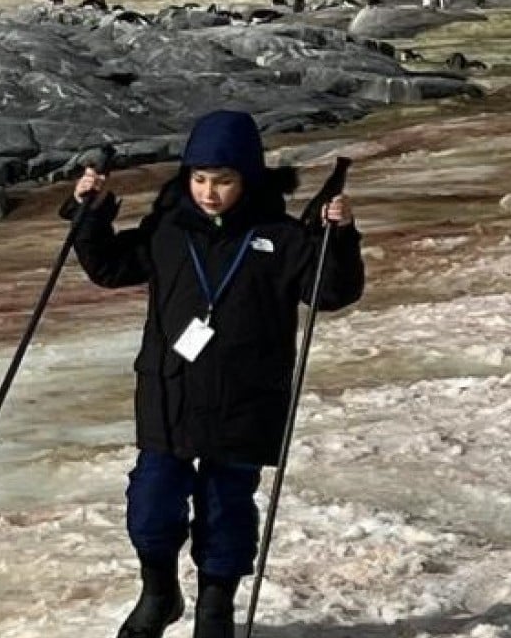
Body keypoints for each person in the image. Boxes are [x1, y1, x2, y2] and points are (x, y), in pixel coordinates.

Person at [65, 110, 365, 638]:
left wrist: (337, 238)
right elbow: (109, 267)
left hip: (246, 398)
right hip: (170, 388)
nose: (209, 193)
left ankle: (214, 612)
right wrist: (88, 211)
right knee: (151, 502)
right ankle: (159, 595)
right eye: (199, 179)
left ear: (248, 178)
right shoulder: (167, 230)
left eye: (223, 181)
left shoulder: (281, 236)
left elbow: (331, 293)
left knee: (226, 507)